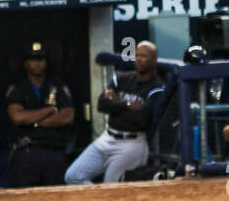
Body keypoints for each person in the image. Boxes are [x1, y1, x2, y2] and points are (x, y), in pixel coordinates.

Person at [65, 40, 166, 184]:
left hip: (131, 144)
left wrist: (115, 104)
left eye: (144, 56)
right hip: (107, 138)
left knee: (110, 187)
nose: (139, 59)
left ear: (154, 61)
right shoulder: (122, 79)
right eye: (137, 55)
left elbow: (141, 118)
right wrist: (127, 104)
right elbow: (102, 104)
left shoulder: (157, 87)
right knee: (73, 176)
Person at [5, 41, 75, 187]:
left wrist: (34, 121)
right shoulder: (18, 87)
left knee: (57, 199)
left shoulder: (56, 85)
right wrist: (49, 111)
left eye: (40, 59)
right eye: (33, 59)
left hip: (54, 151)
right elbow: (18, 117)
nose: (37, 63)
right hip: (28, 152)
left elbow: (68, 116)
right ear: (26, 63)